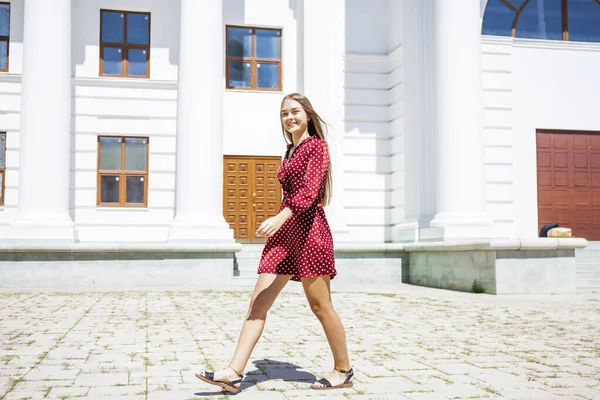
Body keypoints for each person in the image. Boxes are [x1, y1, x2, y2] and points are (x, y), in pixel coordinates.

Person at [195, 93, 354, 394]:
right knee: (258, 304)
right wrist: (282, 220)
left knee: (321, 306)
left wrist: (281, 216)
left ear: (307, 114)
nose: (290, 118)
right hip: (284, 238)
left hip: (309, 233)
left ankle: (343, 370)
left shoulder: (316, 147)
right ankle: (233, 372)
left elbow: (309, 193)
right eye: (284, 114)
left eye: (295, 112)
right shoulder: (289, 150)